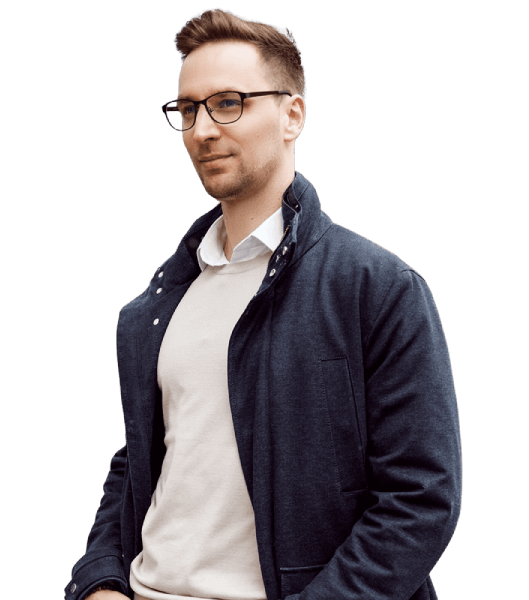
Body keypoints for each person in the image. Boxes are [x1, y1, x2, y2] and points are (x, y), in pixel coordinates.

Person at [65, 8, 462, 600]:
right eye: (188, 110)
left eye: (228, 103)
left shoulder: (377, 287)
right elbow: (138, 460)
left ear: (292, 114)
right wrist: (99, 579)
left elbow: (420, 498)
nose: (202, 130)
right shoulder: (157, 302)